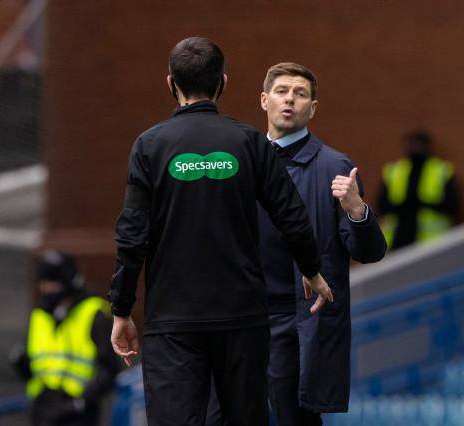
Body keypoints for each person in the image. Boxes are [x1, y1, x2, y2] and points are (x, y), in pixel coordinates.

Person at [108, 38, 333, 426]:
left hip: (173, 320)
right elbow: (292, 214)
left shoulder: (149, 146)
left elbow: (132, 236)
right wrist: (311, 270)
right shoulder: (248, 142)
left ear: (170, 83)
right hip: (243, 318)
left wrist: (122, 309)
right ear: (222, 83)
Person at [206, 62, 386, 426]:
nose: (290, 100)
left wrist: (357, 210)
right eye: (281, 91)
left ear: (312, 108)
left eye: (300, 94)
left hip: (298, 318)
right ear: (264, 100)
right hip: (239, 316)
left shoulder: (335, 166)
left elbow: (368, 252)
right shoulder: (237, 163)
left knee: (295, 419)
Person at [12, 250, 120, 426]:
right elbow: (37, 366)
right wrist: (22, 364)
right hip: (43, 410)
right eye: (44, 282)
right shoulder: (40, 315)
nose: (47, 288)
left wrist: (81, 401)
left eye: (53, 283)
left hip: (78, 414)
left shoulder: (93, 314)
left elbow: (109, 368)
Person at [377, 131, 459, 250]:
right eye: (412, 145)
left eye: (419, 145)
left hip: (431, 242)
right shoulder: (395, 171)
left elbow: (452, 205)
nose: (415, 149)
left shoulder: (441, 170)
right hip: (398, 240)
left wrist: (423, 204)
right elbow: (381, 206)